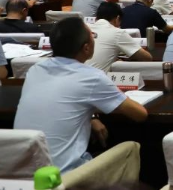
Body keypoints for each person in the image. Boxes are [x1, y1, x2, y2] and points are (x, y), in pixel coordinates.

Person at [13, 17, 148, 172]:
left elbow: (60, 103)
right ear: (86, 48)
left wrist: (90, 117)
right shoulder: (92, 77)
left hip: (22, 176)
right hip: (64, 176)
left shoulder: (35, 70)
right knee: (131, 148)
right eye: (93, 36)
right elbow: (140, 114)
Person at [87, 2, 152, 71]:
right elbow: (147, 58)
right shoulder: (118, 33)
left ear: (96, 18)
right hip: (96, 77)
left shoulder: (85, 28)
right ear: (117, 19)